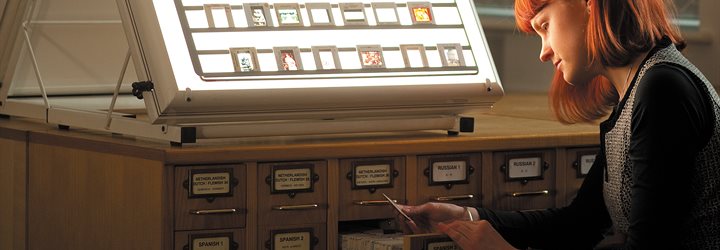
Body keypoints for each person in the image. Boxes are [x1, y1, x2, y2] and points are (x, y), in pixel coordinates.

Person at [396, 0, 720, 249]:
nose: (543, 51)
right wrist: (466, 217)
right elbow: (580, 223)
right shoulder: (637, 88)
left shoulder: (662, 89)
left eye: (545, 26)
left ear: (589, 5)